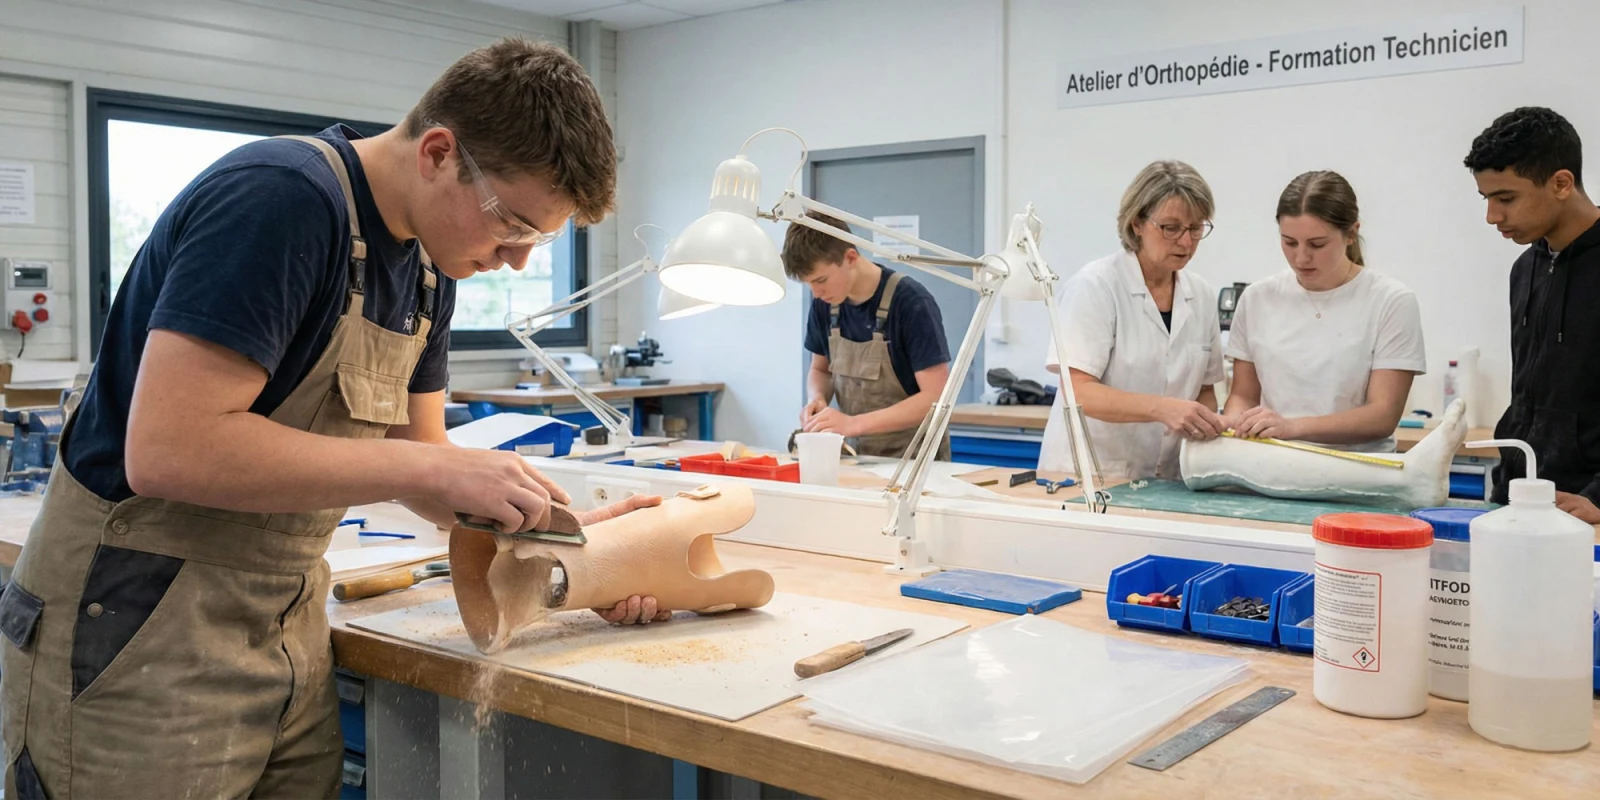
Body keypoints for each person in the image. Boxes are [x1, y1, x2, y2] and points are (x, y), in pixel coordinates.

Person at [0, 39, 663, 800]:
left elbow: (424, 464)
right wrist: (434, 468)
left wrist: (569, 547)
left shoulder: (427, 267)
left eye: (536, 240)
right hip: (135, 620)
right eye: (509, 225)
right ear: (439, 152)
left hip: (286, 624)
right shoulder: (281, 200)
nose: (515, 260)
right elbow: (171, 447)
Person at [1040, 160, 1225, 481]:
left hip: (1167, 475)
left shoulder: (1201, 294)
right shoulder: (1096, 286)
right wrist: (1163, 409)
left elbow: (1205, 389)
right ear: (1137, 222)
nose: (1186, 241)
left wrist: (1205, 423)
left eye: (1196, 228)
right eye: (1171, 228)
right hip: (1089, 473)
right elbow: (1078, 392)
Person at [1223, 171, 1426, 452]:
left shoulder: (1390, 301)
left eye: (1317, 244)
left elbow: (1382, 416)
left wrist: (1292, 428)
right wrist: (1233, 424)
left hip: (1357, 477)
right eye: (1289, 242)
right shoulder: (1257, 298)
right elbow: (1243, 397)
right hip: (1270, 468)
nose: (1301, 257)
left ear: (1351, 233)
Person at [1465, 107, 1600, 522]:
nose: (1493, 217)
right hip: (1517, 499)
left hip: (1585, 512)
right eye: (1487, 199)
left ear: (1562, 183)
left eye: (1506, 198)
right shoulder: (1524, 269)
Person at [789, 212, 953, 459]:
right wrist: (817, 398)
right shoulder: (825, 302)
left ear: (851, 257)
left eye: (821, 280)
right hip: (858, 456)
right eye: (809, 284)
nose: (816, 293)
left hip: (915, 460)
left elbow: (935, 399)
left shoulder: (911, 303)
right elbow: (820, 370)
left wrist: (853, 424)